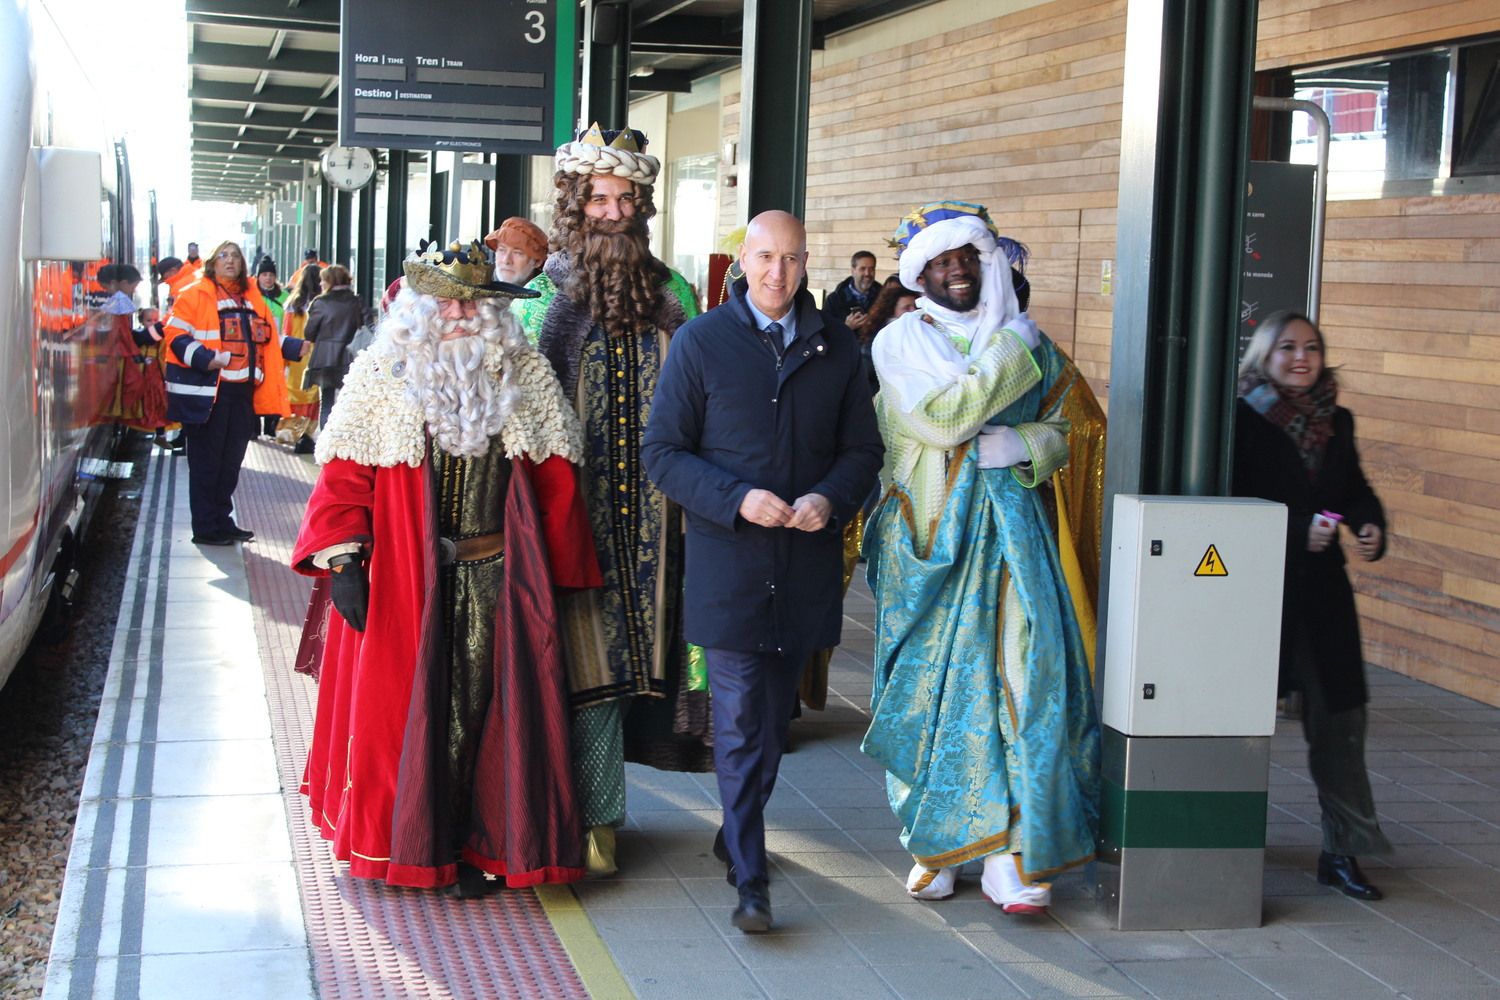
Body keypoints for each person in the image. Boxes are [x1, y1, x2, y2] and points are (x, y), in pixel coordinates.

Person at [291, 240, 600, 894]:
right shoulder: (383, 373)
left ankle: (480, 846)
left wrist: (563, 576)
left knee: (488, 721)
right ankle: (412, 844)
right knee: (410, 719)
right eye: (449, 301)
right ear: (421, 306)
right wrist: (344, 558)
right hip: (406, 580)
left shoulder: (525, 375)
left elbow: (556, 483)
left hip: (499, 577)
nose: (461, 314)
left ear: (494, 311)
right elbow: (344, 473)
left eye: (475, 303)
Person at [643, 210, 883, 933]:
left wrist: (828, 498)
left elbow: (864, 453)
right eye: (765, 258)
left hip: (805, 567)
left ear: (807, 264)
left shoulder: (838, 348)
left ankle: (734, 826)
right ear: (740, 261)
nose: (777, 273)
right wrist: (737, 498)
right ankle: (751, 879)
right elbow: (662, 453)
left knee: (773, 724)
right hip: (730, 566)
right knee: (741, 721)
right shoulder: (701, 343)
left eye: (791, 259)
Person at [861, 200, 1102, 913]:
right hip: (932, 549)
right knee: (935, 698)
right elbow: (945, 420)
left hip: (1021, 548)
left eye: (968, 256)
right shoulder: (903, 343)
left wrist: (1025, 445)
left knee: (1025, 688)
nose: (957, 270)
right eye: (940, 261)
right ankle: (937, 845)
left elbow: (1078, 427)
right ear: (920, 274)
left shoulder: (1032, 343)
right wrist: (1011, 351)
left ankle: (1013, 852)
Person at [514, 122, 712, 876]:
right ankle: (592, 817)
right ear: (574, 204)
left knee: (647, 665)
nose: (613, 210)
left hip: (665, 523)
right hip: (573, 520)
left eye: (626, 197)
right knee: (585, 668)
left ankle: (603, 810)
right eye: (599, 198)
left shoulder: (675, 291)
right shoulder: (539, 298)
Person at [1233, 310, 1391, 900]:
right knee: (1234, 722)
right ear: (1264, 358)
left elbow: (1354, 490)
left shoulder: (1337, 421)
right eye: (1288, 348)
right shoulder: (1238, 419)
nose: (1302, 358)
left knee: (1342, 721)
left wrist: (1370, 525)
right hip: (1255, 594)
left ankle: (1344, 850)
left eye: (1313, 348)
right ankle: (1219, 837)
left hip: (1322, 598)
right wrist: (1297, 528)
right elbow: (1227, 502)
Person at [161, 240, 305, 545]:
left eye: (235, 256)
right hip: (208, 394)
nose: (230, 261)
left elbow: (266, 338)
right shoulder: (195, 294)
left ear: (242, 263)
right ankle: (205, 527)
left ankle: (222, 521)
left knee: (230, 463)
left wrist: (296, 347)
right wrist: (205, 358)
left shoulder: (250, 298)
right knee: (206, 463)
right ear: (212, 262)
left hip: (241, 395)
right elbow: (174, 334)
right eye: (223, 255)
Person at [97, 264, 167, 433]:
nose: (134, 290)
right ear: (120, 283)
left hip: (118, 352)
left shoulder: (116, 301)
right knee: (133, 384)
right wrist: (135, 354)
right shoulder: (120, 301)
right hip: (122, 353)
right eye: (133, 286)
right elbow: (123, 333)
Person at [303, 264, 362, 428]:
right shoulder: (356, 301)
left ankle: (324, 446)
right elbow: (365, 327)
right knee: (348, 404)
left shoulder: (320, 303)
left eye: (323, 280)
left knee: (327, 403)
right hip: (350, 357)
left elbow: (309, 333)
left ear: (330, 281)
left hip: (325, 358)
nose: (320, 284)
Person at [278, 263, 322, 454]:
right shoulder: (321, 303)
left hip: (296, 354)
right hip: (315, 353)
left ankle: (290, 431)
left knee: (294, 392)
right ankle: (308, 434)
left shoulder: (291, 304)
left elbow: (285, 332)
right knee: (313, 393)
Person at [255, 258, 288, 436]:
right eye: (264, 274)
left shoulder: (284, 297)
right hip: (256, 348)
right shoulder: (252, 295)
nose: (267, 278)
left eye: (271, 275)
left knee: (274, 386)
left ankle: (271, 425)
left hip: (277, 348)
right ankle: (253, 427)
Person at [820, 249, 879, 341]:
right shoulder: (835, 299)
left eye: (871, 269)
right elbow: (824, 333)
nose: (867, 273)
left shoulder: (884, 297)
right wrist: (846, 327)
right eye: (862, 269)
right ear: (853, 271)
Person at [484, 217, 548, 286]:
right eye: (502, 250)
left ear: (537, 262)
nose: (506, 260)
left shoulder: (549, 293)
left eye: (518, 253)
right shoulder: (477, 283)